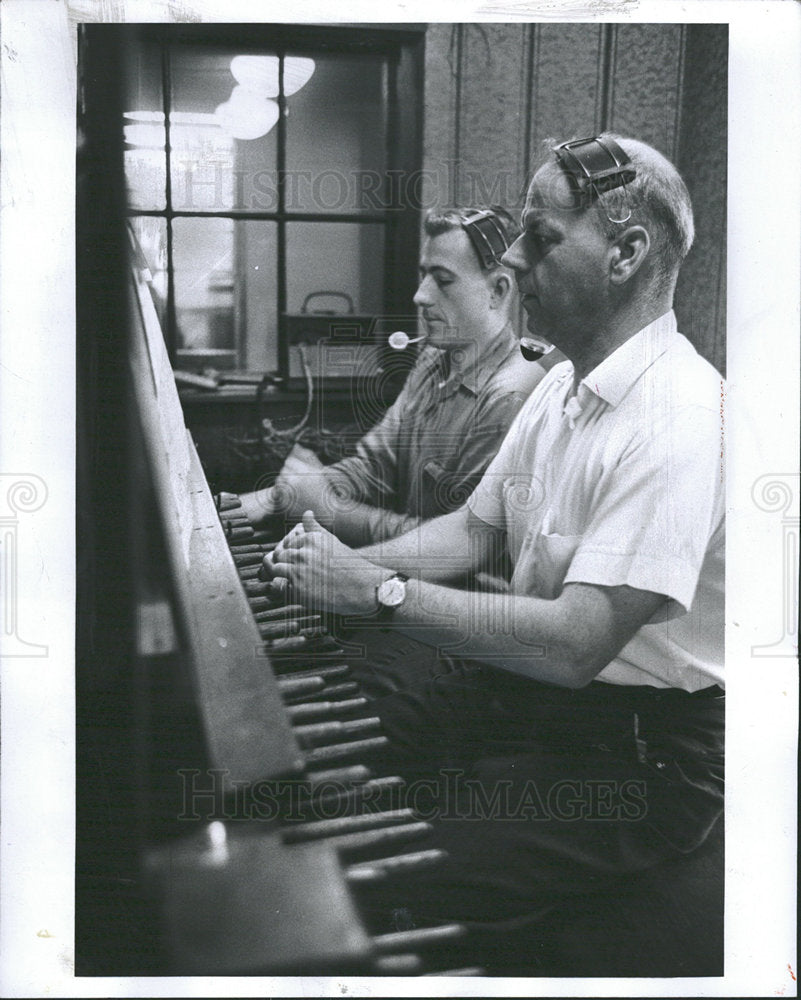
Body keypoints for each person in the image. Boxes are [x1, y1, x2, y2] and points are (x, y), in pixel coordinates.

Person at [263, 134, 725, 973]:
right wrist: (351, 570)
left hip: (644, 755)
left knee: (357, 886)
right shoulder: (563, 384)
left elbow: (576, 641)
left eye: (541, 237)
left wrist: (377, 595)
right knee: (304, 774)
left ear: (624, 253)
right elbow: (471, 532)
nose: (512, 258)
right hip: (543, 700)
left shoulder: (683, 418)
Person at [238, 206, 556, 547]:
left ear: (498, 291)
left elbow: (461, 546)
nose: (421, 295)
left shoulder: (510, 395)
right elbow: (375, 467)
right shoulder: (434, 360)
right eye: (424, 276)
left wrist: (327, 508)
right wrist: (283, 494)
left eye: (443, 280)